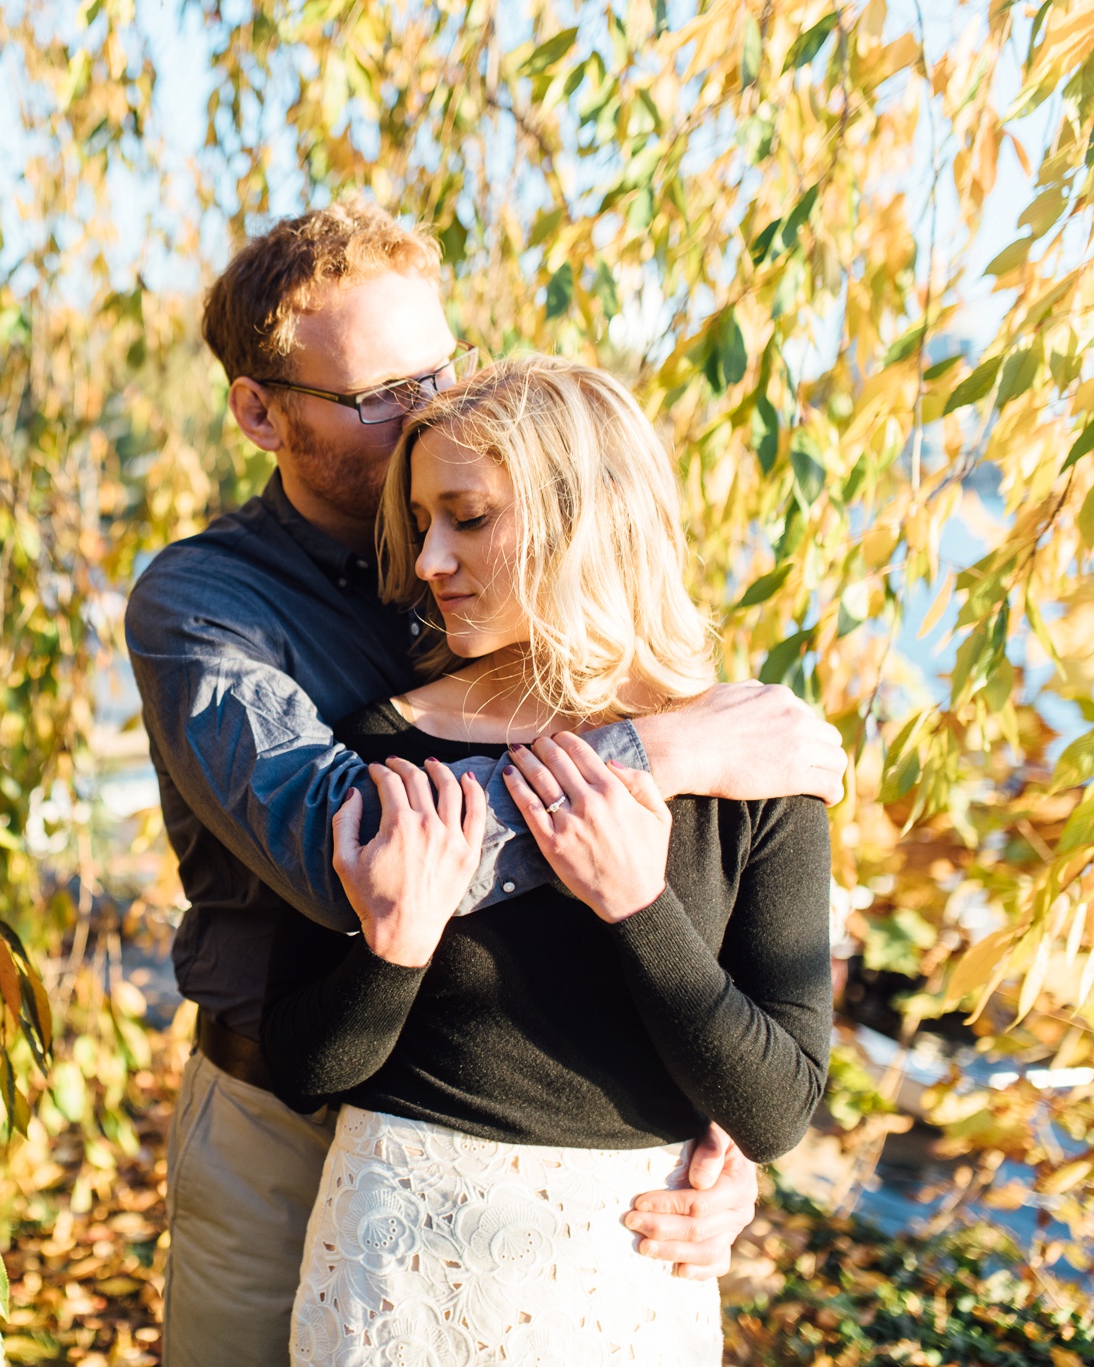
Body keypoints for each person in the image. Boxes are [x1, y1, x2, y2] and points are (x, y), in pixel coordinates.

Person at [124, 198, 847, 1366]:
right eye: (376, 397)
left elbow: (750, 1032)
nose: (425, 410)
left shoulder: (498, 545)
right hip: (281, 1120)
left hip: (577, 1214)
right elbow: (344, 856)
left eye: (436, 370)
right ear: (258, 411)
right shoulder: (204, 607)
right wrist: (660, 760)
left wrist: (714, 1122)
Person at [261, 355, 831, 1364]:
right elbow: (303, 1065)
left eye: (466, 518)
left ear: (588, 516)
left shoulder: (751, 759)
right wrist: (391, 951)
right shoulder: (382, 748)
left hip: (619, 1286)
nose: (428, 560)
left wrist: (637, 905)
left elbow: (776, 1106)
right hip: (394, 1277)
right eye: (421, 525)